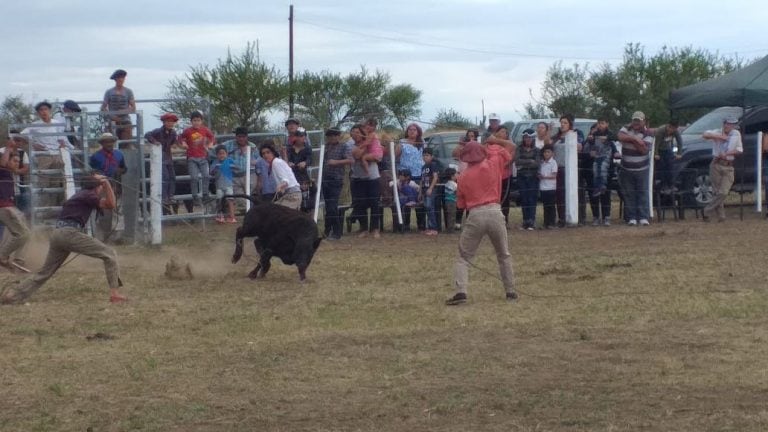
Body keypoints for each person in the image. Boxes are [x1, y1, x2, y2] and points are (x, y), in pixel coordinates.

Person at [1, 175, 127, 305]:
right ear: (97, 187)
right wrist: (106, 183)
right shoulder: (89, 195)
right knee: (109, 254)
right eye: (100, 186)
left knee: (44, 273)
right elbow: (111, 204)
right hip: (70, 233)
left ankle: (13, 295)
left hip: (58, 234)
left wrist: (102, 183)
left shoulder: (80, 195)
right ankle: (115, 294)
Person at [445, 139, 517, 306]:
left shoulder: (462, 177)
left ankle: (460, 291)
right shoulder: (494, 164)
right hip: (495, 211)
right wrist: (494, 140)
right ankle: (511, 290)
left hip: (476, 214)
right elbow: (511, 147)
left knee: (463, 257)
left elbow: (461, 205)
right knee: (503, 254)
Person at [21, 101, 72, 209]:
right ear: (38, 113)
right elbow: (20, 136)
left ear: (50, 111)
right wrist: (33, 144)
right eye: (41, 110)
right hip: (44, 156)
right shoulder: (34, 125)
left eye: (45, 109)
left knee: (57, 182)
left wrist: (66, 146)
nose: (44, 112)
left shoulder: (57, 123)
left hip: (57, 155)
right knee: (43, 183)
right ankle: (43, 209)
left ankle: (54, 209)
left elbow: (62, 138)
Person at [701, 117, 743, 222]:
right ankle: (721, 216)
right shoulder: (717, 132)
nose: (730, 126)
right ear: (724, 124)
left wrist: (727, 153)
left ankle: (707, 210)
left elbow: (739, 150)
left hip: (728, 164)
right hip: (716, 164)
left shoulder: (736, 134)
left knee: (723, 192)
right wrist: (720, 137)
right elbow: (705, 135)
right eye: (728, 124)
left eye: (732, 124)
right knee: (716, 191)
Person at [617, 111, 654, 226]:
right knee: (629, 193)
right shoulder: (626, 128)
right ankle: (631, 217)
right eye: (634, 120)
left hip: (642, 169)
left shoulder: (648, 133)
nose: (636, 123)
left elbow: (644, 150)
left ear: (643, 121)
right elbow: (620, 136)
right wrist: (636, 140)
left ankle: (643, 217)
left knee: (642, 192)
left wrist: (630, 140)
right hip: (626, 168)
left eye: (638, 120)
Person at [89, 133, 127, 241]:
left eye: (111, 141)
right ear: (102, 144)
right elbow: (91, 172)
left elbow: (124, 168)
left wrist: (119, 171)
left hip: (117, 185)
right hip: (102, 186)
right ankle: (102, 234)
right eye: (106, 142)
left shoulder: (119, 154)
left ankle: (118, 235)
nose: (109, 144)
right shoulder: (95, 156)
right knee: (103, 210)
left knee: (118, 209)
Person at [350, 119, 384, 238]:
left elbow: (379, 158)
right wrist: (366, 147)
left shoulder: (372, 140)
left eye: (358, 131)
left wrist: (368, 149)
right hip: (358, 178)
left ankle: (375, 229)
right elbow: (357, 155)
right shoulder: (350, 145)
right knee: (361, 203)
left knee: (374, 202)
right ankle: (363, 228)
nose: (356, 134)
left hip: (373, 177)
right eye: (353, 132)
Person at [0, 145, 30, 272]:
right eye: (14, 161)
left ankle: (19, 260)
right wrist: (8, 148)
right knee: (23, 234)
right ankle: (2, 256)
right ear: (7, 161)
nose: (17, 164)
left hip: (9, 206)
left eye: (19, 161)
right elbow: (2, 164)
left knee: (26, 232)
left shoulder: (9, 174)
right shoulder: (3, 170)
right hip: (4, 207)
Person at [321, 127, 352, 240]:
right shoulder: (326, 147)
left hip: (336, 179)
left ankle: (337, 232)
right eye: (330, 136)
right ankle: (327, 230)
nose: (333, 137)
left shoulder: (344, 146)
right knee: (328, 206)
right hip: (325, 179)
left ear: (338, 136)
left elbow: (350, 160)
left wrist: (336, 162)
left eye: (335, 135)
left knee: (333, 206)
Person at [179, 111, 215, 208]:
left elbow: (212, 137)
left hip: (203, 157)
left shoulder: (205, 130)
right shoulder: (188, 131)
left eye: (198, 120)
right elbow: (180, 137)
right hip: (192, 158)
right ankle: (195, 196)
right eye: (194, 120)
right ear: (191, 121)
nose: (196, 122)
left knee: (206, 176)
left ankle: (205, 194)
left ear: (201, 121)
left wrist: (210, 144)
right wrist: (184, 143)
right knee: (194, 177)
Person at [144, 113, 180, 212]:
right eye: (168, 121)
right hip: (160, 158)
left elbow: (172, 142)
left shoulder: (173, 133)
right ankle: (164, 197)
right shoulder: (158, 131)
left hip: (168, 157)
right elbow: (147, 134)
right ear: (164, 122)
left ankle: (170, 195)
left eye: (172, 122)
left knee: (172, 177)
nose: (170, 123)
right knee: (165, 177)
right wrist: (154, 142)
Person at [551, 114, 582, 227]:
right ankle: (561, 218)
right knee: (559, 194)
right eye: (561, 122)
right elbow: (547, 146)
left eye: (565, 123)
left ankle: (573, 215)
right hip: (558, 168)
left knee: (571, 193)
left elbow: (579, 147)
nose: (563, 125)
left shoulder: (574, 136)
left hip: (570, 170)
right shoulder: (556, 138)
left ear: (570, 124)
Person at [587, 119, 619, 226]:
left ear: (607, 124)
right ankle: (596, 216)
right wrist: (590, 141)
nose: (600, 125)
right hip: (595, 167)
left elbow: (615, 138)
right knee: (595, 194)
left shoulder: (610, 135)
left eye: (603, 123)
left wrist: (607, 139)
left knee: (606, 194)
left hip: (607, 168)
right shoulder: (594, 135)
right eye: (599, 123)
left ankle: (606, 216)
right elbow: (589, 145)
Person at [395, 123, 426, 230]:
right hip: (406, 176)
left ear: (418, 132)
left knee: (419, 198)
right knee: (406, 198)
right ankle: (406, 224)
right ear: (407, 131)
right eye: (410, 129)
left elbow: (425, 156)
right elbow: (396, 155)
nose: (412, 131)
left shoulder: (421, 143)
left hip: (419, 174)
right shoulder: (402, 142)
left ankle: (421, 224)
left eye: (414, 130)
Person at [222, 126, 258, 211]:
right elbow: (215, 151)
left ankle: (252, 212)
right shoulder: (227, 145)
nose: (241, 139)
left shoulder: (253, 146)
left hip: (250, 175)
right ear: (236, 136)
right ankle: (253, 211)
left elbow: (259, 160)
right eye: (239, 136)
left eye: (243, 136)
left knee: (250, 195)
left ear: (247, 137)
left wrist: (256, 165)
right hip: (234, 176)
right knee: (240, 198)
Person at [259, 140, 302, 210]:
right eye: (263, 153)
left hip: (292, 195)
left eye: (268, 152)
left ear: (273, 152)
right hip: (291, 194)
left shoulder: (276, 163)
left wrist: (280, 186)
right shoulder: (277, 162)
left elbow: (286, 181)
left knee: (274, 213)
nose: (265, 155)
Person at [486, 126, 515, 226]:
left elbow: (512, 151)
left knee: (505, 198)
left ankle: (504, 220)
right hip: (492, 177)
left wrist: (497, 140)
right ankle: (492, 220)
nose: (505, 134)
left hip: (505, 176)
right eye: (502, 131)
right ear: (496, 132)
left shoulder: (506, 145)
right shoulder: (488, 145)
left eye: (506, 132)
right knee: (492, 198)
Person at [100, 69, 136, 141]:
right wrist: (112, 116)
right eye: (119, 78)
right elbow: (103, 107)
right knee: (110, 140)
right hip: (112, 120)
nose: (121, 80)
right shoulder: (109, 92)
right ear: (115, 79)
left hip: (125, 120)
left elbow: (133, 108)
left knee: (126, 140)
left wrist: (123, 111)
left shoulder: (128, 91)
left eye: (122, 78)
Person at [515, 129, 540, 230]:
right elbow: (517, 161)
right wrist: (530, 160)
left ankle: (531, 221)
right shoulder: (519, 149)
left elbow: (537, 163)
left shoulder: (537, 150)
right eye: (525, 137)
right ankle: (525, 221)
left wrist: (524, 162)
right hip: (522, 176)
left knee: (532, 199)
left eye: (529, 137)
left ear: (533, 138)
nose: (527, 139)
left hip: (533, 177)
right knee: (524, 199)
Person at [2, 131, 30, 216]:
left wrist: (14, 171)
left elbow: (26, 169)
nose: (18, 142)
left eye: (19, 140)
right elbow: (2, 165)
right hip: (4, 187)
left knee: (25, 205)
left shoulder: (22, 153)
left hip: (19, 186)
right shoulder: (1, 151)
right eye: (16, 140)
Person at [286, 128, 313, 212]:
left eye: (302, 136)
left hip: (302, 176)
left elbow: (310, 160)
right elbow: (286, 160)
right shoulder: (289, 148)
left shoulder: (308, 148)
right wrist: (288, 163)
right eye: (298, 136)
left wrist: (305, 163)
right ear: (295, 137)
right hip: (291, 176)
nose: (301, 138)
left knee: (304, 200)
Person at [210, 145, 238, 224]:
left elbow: (237, 168)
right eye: (219, 154)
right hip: (219, 185)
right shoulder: (215, 162)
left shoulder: (229, 161)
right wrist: (215, 168)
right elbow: (211, 172)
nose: (221, 155)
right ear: (217, 155)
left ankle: (232, 217)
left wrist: (232, 167)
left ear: (226, 154)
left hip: (229, 184)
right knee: (219, 200)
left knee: (230, 200)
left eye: (223, 153)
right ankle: (220, 216)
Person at [653, 121, 683, 194]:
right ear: (668, 126)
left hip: (667, 149)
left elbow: (679, 141)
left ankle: (671, 184)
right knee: (662, 167)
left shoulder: (675, 131)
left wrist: (679, 153)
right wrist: (656, 153)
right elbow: (656, 143)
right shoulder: (661, 131)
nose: (671, 130)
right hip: (660, 150)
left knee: (670, 166)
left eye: (674, 129)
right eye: (671, 128)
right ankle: (664, 186)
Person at [420, 147, 440, 236]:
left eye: (427, 155)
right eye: (423, 155)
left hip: (430, 189)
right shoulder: (423, 167)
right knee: (427, 208)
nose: (425, 157)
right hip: (424, 189)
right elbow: (422, 180)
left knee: (430, 207)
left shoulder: (433, 165)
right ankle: (429, 227)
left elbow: (435, 177)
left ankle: (434, 228)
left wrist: (431, 188)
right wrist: (420, 191)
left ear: (431, 156)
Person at [539, 144, 558, 229]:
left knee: (551, 206)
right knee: (545, 206)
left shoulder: (553, 163)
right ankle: (546, 222)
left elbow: (554, 175)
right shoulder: (542, 163)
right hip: (543, 188)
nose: (546, 154)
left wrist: (544, 177)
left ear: (552, 153)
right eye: (545, 152)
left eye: (548, 152)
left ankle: (552, 222)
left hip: (551, 188)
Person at [443, 167, 458, 234]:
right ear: (452, 176)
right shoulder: (454, 184)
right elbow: (457, 192)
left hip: (447, 201)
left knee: (449, 215)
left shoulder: (446, 183)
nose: (457, 175)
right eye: (456, 174)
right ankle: (451, 230)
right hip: (452, 202)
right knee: (452, 215)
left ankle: (449, 228)